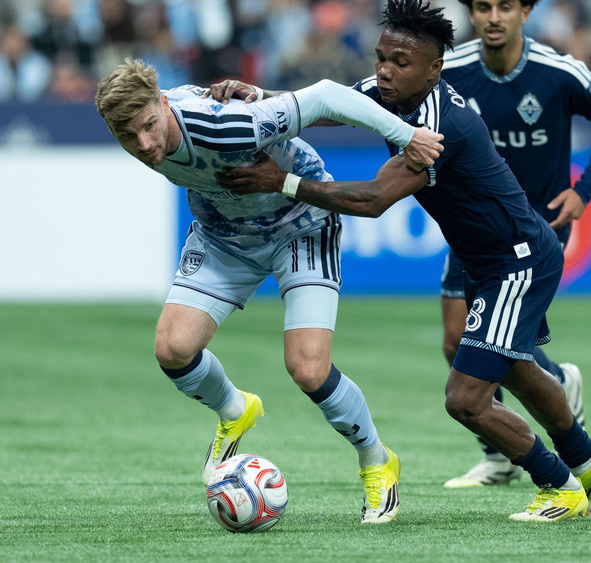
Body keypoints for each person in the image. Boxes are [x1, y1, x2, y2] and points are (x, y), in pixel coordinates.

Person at [217, 0, 591, 522]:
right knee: (519, 371)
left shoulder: (438, 128)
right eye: (381, 59)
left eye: (399, 63)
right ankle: (589, 463)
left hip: (515, 259)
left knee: (466, 399)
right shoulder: (393, 92)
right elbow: (330, 105)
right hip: (495, 257)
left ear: (434, 70)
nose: (384, 72)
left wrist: (284, 181)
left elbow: (372, 200)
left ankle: (559, 486)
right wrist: (261, 96)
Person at [94, 58, 444, 523]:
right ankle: (234, 409)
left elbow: (323, 94)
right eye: (127, 136)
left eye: (148, 127)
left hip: (299, 224)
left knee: (308, 369)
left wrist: (407, 135)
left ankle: (377, 460)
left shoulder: (223, 127)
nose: (143, 144)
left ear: (162, 104)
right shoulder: (150, 120)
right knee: (172, 348)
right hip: (225, 237)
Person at [437, 0, 591, 488]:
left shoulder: (558, 71)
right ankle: (509, 442)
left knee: (500, 340)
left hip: (534, 230)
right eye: (482, 7)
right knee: (458, 342)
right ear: (470, 12)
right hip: (473, 225)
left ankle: (551, 423)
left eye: (504, 6)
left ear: (525, 10)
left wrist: (583, 191)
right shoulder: (450, 69)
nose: (493, 17)